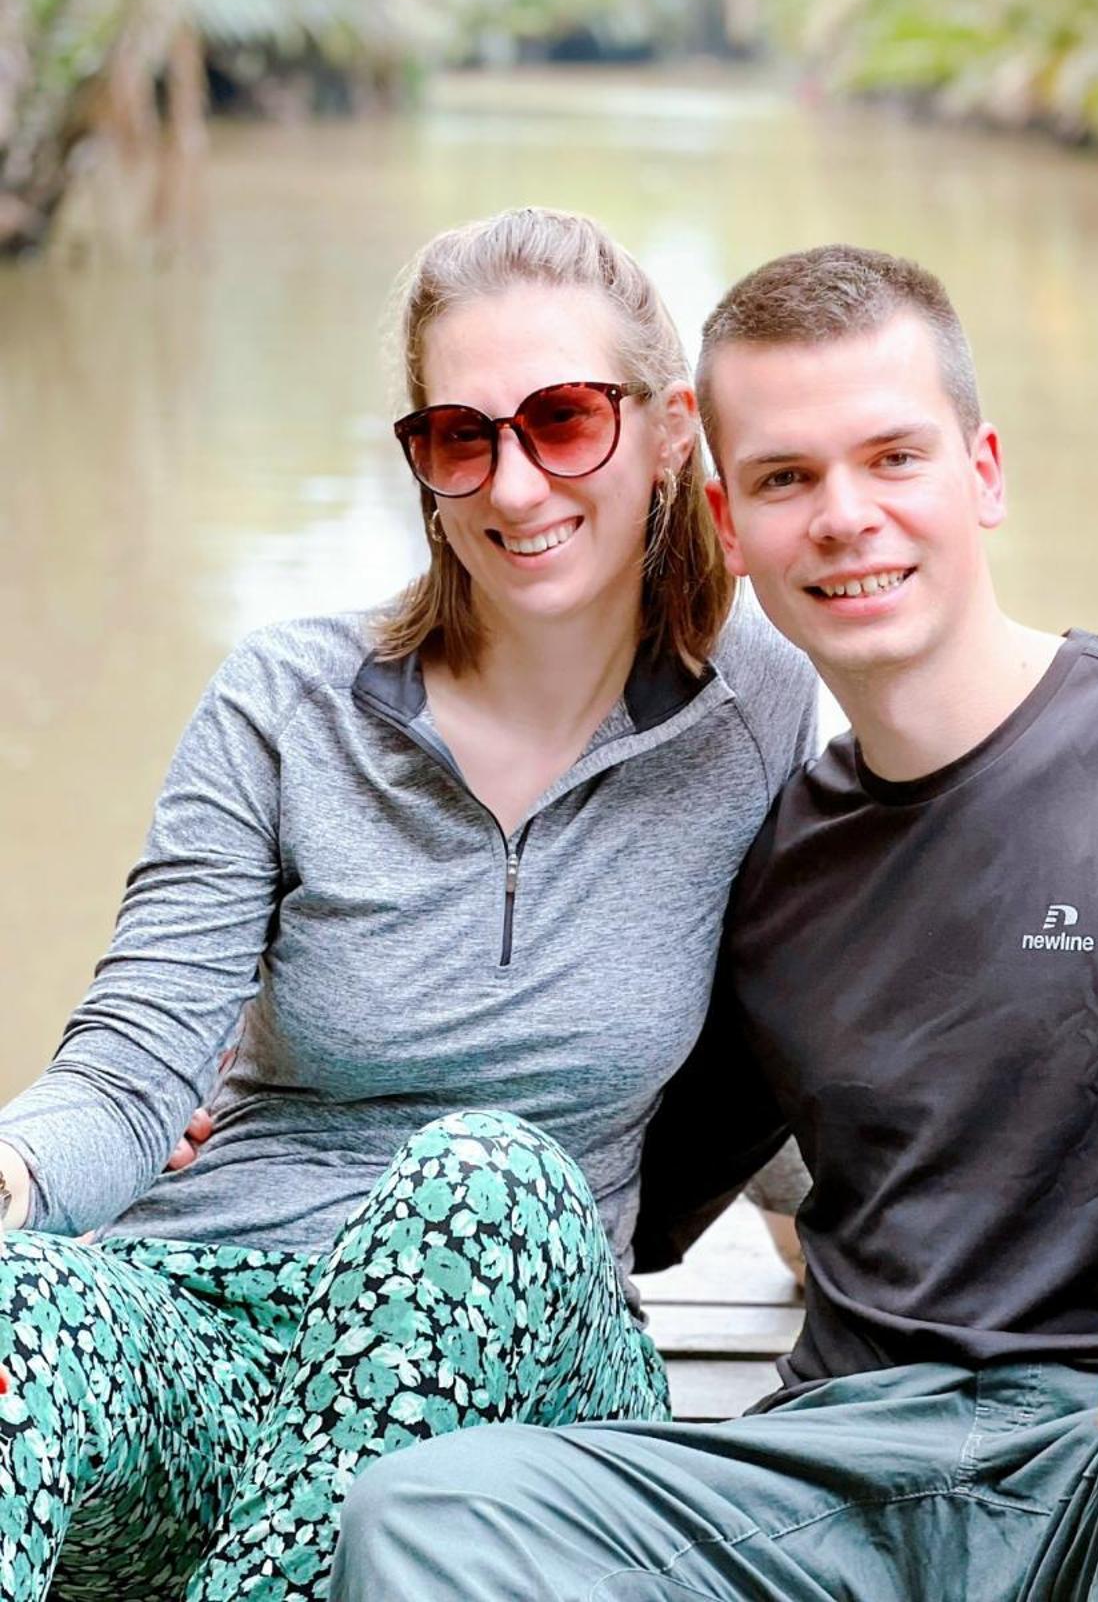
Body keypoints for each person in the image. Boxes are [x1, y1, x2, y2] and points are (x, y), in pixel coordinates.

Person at [332, 244, 1098, 1602]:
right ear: (724, 521)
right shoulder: (770, 865)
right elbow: (627, 1193)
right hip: (843, 1479)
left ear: (984, 471)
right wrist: (284, 1099)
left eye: (894, 458)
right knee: (431, 1513)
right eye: (786, 479)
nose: (844, 518)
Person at [0, 208, 817, 1602]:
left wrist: (856, 1249)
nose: (514, 483)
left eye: (565, 420)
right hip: (217, 1329)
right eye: (460, 435)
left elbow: (823, 1035)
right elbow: (134, 1069)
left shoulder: (757, 711)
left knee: (479, 1175)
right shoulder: (285, 701)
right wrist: (11, 1178)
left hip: (528, 1377)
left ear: (671, 433)